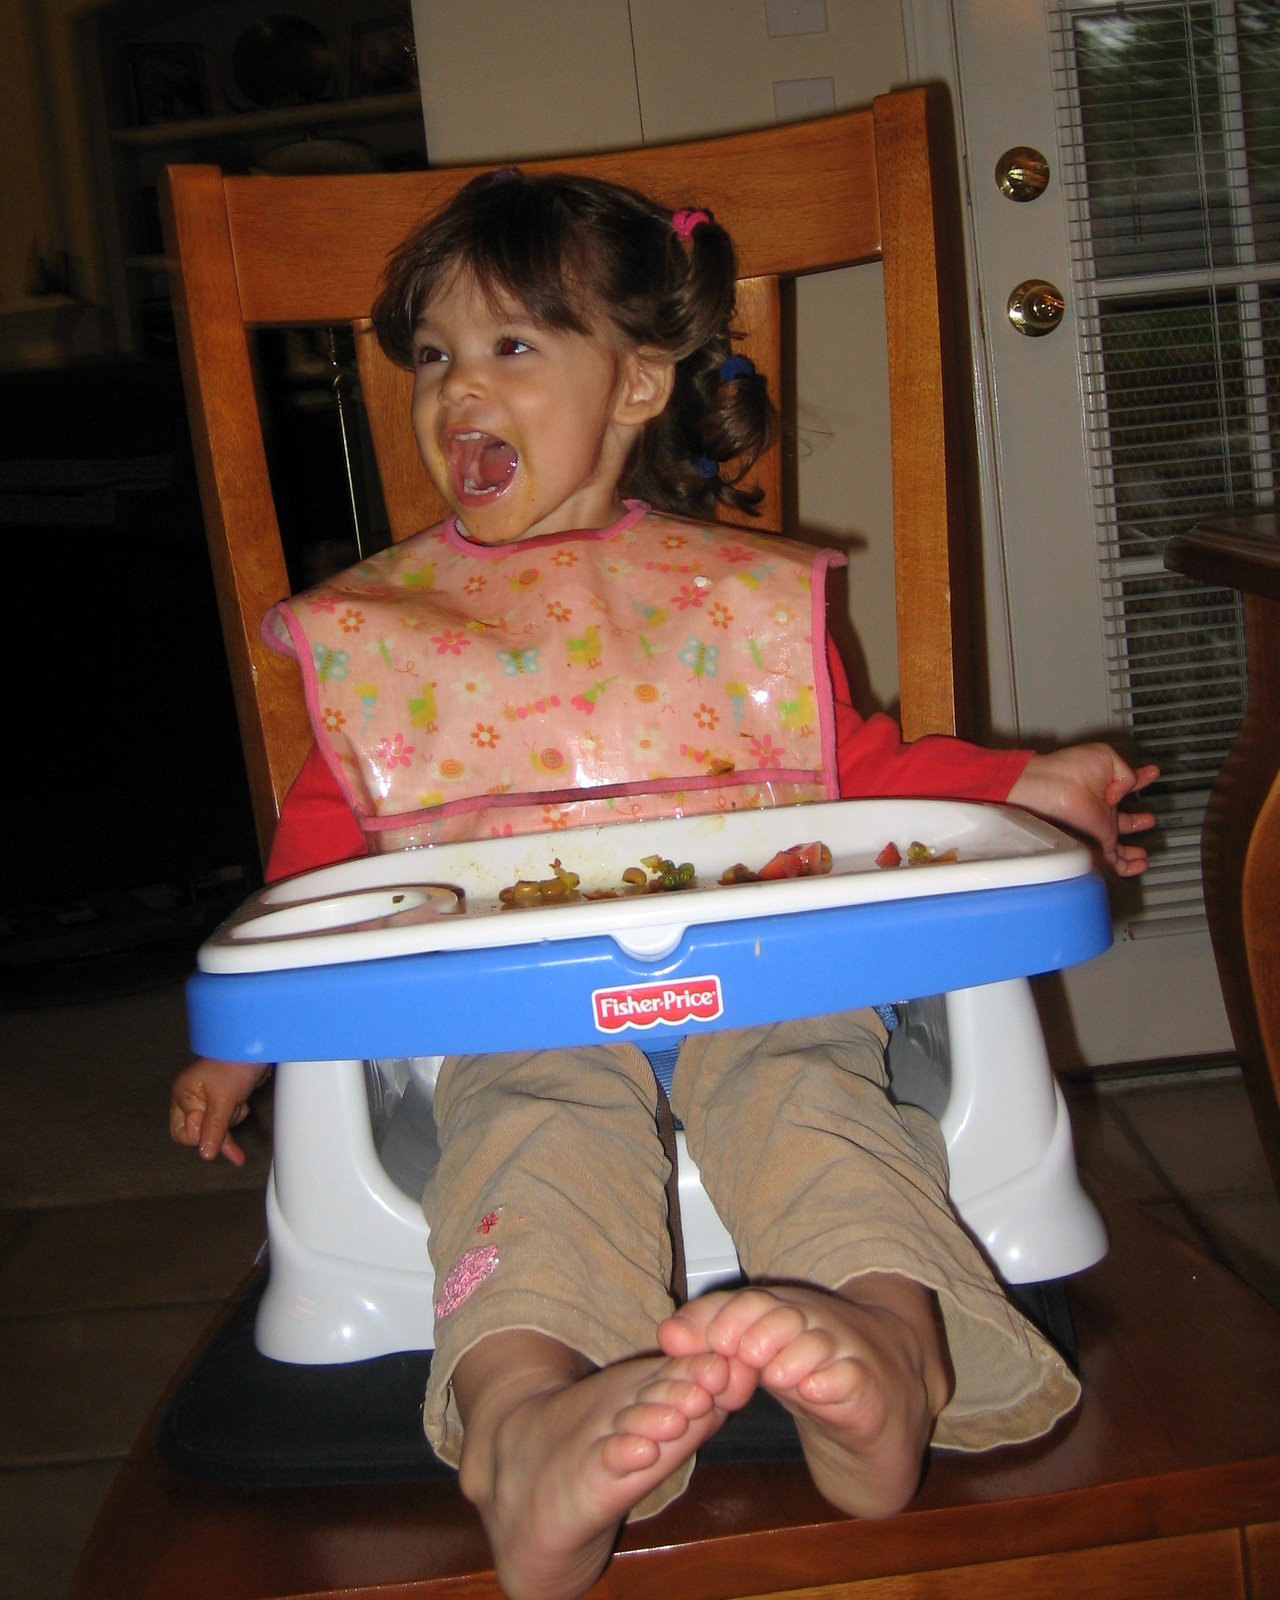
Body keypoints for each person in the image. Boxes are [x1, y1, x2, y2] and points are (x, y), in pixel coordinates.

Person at [170, 170, 1157, 1600]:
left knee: (808, 1096)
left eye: (514, 344)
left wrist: (1019, 786)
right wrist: (244, 1036)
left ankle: (892, 1350)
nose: (458, 387)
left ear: (637, 383)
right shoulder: (387, 639)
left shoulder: (733, 606)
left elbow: (859, 773)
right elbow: (323, 856)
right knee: (533, 1130)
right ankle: (522, 1428)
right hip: (512, 1015)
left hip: (767, 989)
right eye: (433, 353)